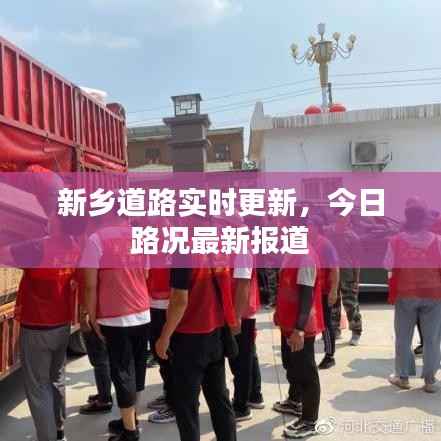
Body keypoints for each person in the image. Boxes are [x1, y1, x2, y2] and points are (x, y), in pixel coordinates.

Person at [0, 167, 80, 441]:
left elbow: (4, 253)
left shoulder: (37, 247)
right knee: (56, 378)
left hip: (37, 326)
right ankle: (59, 431)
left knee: (38, 387)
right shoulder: (74, 247)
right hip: (61, 324)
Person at [83, 219, 150, 441]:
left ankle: (130, 432)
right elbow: (146, 273)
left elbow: (90, 285)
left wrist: (93, 317)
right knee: (137, 369)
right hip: (142, 311)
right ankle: (131, 419)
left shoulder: (96, 239)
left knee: (122, 372)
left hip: (115, 316)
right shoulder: (140, 237)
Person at [155, 264, 238, 441]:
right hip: (215, 331)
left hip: (189, 338)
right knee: (219, 400)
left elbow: (179, 300)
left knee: (186, 406)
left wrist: (164, 337)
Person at [385, 198, 441, 393]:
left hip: (406, 294)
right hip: (433, 294)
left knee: (403, 336)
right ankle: (430, 380)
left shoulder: (396, 241)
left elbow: (387, 265)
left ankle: (403, 378)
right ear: (425, 219)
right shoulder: (437, 240)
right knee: (432, 338)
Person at [273, 250, 324, 439]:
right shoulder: (290, 253)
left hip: (301, 326)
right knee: (291, 365)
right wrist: (279, 312)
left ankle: (309, 421)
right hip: (288, 323)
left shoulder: (306, 257)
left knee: (306, 372)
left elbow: (306, 294)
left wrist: (299, 329)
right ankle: (295, 401)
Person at [229, 265, 264, 421]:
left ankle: (241, 406)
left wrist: (236, 318)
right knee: (248, 356)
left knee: (241, 362)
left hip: (241, 313)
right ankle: (254, 395)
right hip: (242, 312)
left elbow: (243, 282)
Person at [308, 216, 340, 370]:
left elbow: (335, 269)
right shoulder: (306, 243)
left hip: (324, 291)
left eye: (310, 225)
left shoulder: (326, 245)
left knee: (325, 323)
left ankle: (329, 355)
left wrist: (333, 290)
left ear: (317, 227)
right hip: (310, 290)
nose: (307, 228)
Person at [146, 267, 176, 424]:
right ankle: (170, 395)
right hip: (153, 302)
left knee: (169, 358)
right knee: (161, 357)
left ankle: (176, 405)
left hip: (168, 304)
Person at [329, 216, 363, 346]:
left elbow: (357, 260)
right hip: (332, 275)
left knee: (351, 305)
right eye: (340, 218)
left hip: (347, 275)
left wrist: (356, 278)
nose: (343, 221)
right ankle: (335, 330)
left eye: (346, 218)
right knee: (333, 304)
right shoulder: (330, 234)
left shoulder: (353, 237)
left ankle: (356, 332)